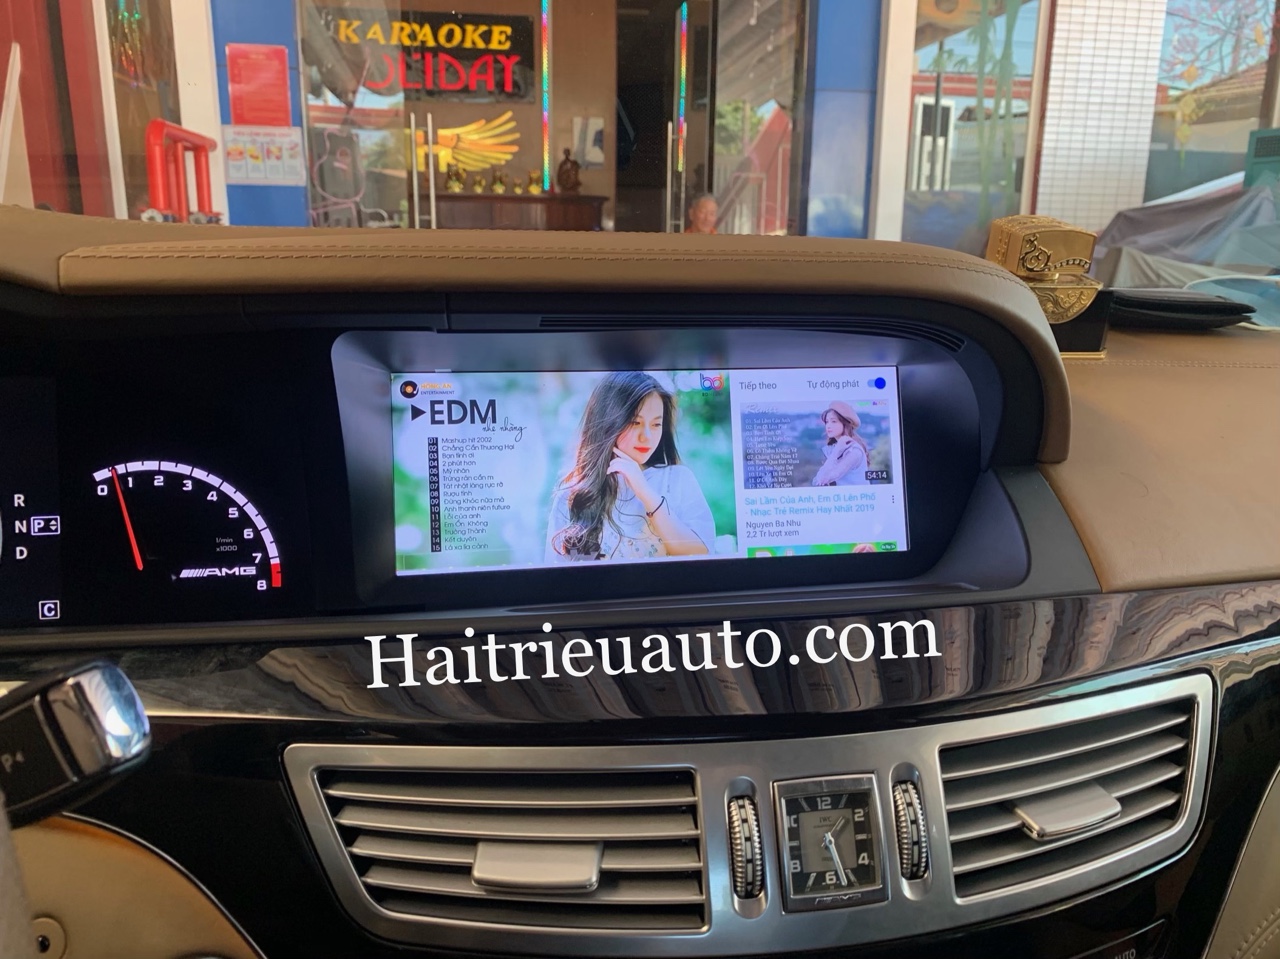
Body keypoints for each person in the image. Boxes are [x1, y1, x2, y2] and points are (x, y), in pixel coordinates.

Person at [547, 371, 716, 562]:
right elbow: (556, 573)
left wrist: (644, 491)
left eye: (656, 424)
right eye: (635, 422)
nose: (647, 436)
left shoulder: (677, 479)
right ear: (608, 422)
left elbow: (702, 554)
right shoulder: (571, 496)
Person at [810, 401, 871, 487]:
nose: (828, 426)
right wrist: (837, 449)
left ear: (845, 424)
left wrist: (837, 450)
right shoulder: (837, 447)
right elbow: (816, 481)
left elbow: (823, 480)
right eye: (827, 422)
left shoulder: (854, 451)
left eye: (833, 421)